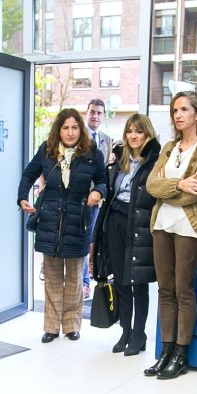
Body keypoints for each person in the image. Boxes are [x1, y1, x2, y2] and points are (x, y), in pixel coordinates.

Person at [143, 91, 197, 380]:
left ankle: (180, 355)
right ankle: (165, 352)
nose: (178, 115)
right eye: (175, 110)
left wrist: (171, 187)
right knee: (164, 290)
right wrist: (180, 184)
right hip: (162, 223)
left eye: (185, 109)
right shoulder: (169, 147)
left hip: (189, 225)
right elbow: (151, 185)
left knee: (182, 290)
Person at [18, 108, 106, 342]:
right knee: (53, 278)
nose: (70, 132)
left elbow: (102, 180)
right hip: (50, 222)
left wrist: (98, 191)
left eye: (74, 127)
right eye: (65, 128)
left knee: (75, 279)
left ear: (81, 129)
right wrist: (22, 197)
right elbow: (28, 175)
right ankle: (51, 327)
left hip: (78, 223)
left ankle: (71, 326)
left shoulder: (92, 153)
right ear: (58, 130)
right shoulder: (47, 150)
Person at [90, 113, 161, 355]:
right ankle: (126, 331)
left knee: (138, 281)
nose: (133, 136)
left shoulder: (155, 161)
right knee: (120, 280)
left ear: (148, 134)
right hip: (115, 220)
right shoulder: (120, 158)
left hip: (139, 224)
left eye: (139, 131)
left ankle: (139, 334)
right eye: (129, 131)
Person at [82, 98, 112, 299]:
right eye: (92, 112)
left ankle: (89, 278)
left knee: (92, 239)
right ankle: (84, 282)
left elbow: (105, 170)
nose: (95, 116)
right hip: (79, 198)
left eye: (99, 113)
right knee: (83, 239)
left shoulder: (106, 140)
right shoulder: (77, 135)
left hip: (97, 199)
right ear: (87, 113)